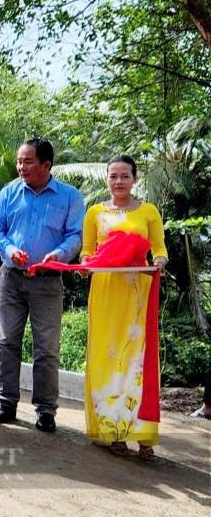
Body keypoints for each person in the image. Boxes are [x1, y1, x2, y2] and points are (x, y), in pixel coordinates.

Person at [0, 138, 84, 432]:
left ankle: (45, 410)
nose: (20, 167)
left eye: (27, 161)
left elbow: (76, 235)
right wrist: (8, 250)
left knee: (46, 348)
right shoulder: (8, 193)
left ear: (46, 165)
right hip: (12, 278)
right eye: (19, 161)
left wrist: (60, 254)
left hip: (48, 282)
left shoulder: (69, 197)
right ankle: (5, 402)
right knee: (6, 342)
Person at [82, 155, 168, 459]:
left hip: (137, 293)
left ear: (135, 179)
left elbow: (159, 249)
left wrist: (158, 262)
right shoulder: (94, 212)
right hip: (105, 291)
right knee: (107, 356)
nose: (119, 182)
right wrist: (84, 266)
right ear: (106, 179)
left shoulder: (148, 212)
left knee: (137, 357)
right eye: (113, 176)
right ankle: (114, 431)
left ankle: (143, 435)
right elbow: (88, 251)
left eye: (125, 176)